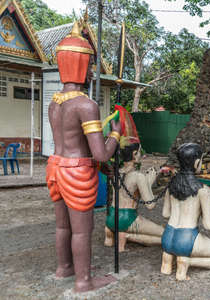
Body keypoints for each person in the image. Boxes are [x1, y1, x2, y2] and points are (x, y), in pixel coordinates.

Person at [46, 22, 120, 293]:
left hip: (55, 167)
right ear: (80, 65)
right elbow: (100, 153)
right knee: (81, 230)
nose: (91, 71)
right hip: (77, 171)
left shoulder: (55, 102)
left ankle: (64, 267)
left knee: (62, 226)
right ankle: (83, 281)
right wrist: (115, 135)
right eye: (89, 65)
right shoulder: (86, 105)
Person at [160, 143, 210, 280]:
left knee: (170, 252)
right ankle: (187, 262)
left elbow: (165, 214)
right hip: (187, 239)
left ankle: (167, 264)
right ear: (197, 162)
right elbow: (209, 226)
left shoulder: (171, 185)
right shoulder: (204, 190)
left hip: (167, 237)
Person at [104, 142, 164, 252]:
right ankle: (127, 236)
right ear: (134, 154)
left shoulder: (115, 172)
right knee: (165, 235)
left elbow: (130, 192)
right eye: (140, 152)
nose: (142, 155)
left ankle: (110, 235)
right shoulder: (138, 176)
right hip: (127, 220)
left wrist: (147, 183)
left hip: (111, 218)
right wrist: (150, 181)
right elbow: (150, 205)